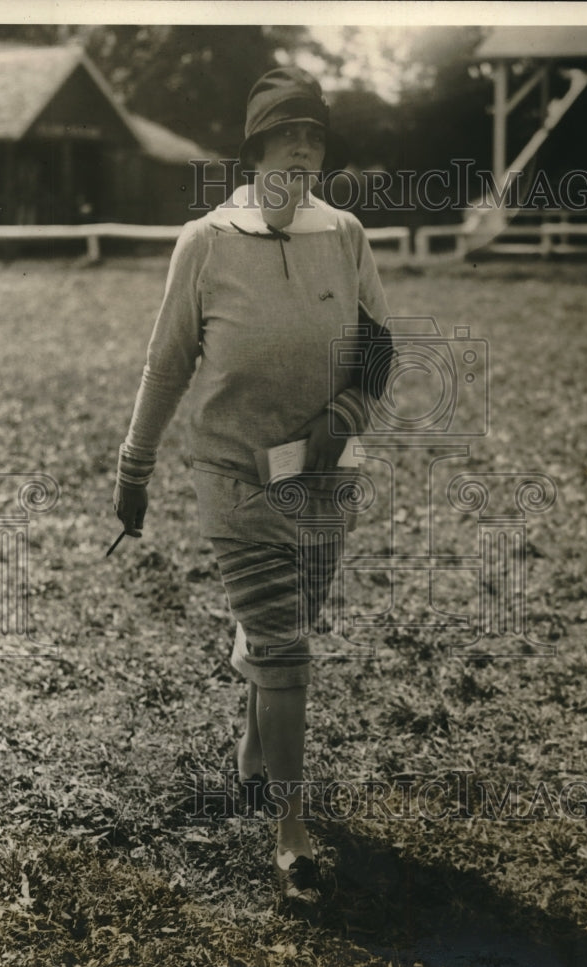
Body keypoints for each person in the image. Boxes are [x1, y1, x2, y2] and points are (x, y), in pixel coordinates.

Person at [114, 67, 390, 912]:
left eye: (313, 137)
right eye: (285, 137)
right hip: (233, 478)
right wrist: (134, 467)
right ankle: (291, 830)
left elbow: (378, 348)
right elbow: (166, 366)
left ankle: (251, 752)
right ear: (256, 150)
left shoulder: (343, 233)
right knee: (288, 652)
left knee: (285, 635)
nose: (301, 151)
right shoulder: (205, 241)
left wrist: (343, 416)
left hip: (322, 478)